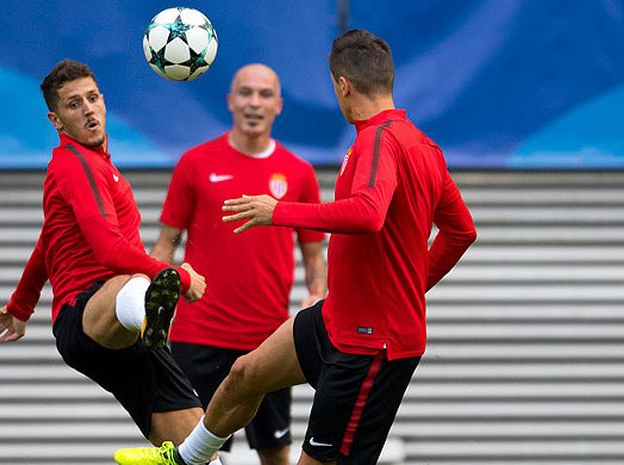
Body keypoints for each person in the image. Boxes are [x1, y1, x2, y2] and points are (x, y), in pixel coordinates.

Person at [114, 28, 477, 465]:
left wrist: (278, 211)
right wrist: (410, 286)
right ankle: (188, 458)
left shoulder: (377, 141)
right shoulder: (426, 147)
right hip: (336, 317)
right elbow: (461, 232)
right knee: (245, 374)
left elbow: (367, 213)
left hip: (370, 346)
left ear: (343, 86)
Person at [0, 59, 214, 454]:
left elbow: (47, 242)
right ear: (56, 120)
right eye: (74, 104)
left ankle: (149, 317)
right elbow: (109, 250)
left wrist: (20, 306)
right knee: (134, 282)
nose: (88, 109)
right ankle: (150, 311)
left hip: (121, 334)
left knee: (196, 450)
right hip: (86, 314)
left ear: (104, 101)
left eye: (92, 98)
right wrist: (179, 278)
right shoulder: (75, 165)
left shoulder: (98, 166)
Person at [149, 63, 327, 465]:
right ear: (230, 101)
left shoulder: (299, 174)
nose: (254, 102)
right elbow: (166, 243)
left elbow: (315, 256)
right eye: (245, 93)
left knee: (276, 453)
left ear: (278, 106)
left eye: (265, 95)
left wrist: (316, 294)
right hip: (198, 340)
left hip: (269, 341)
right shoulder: (194, 163)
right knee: (195, 457)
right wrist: (151, 304)